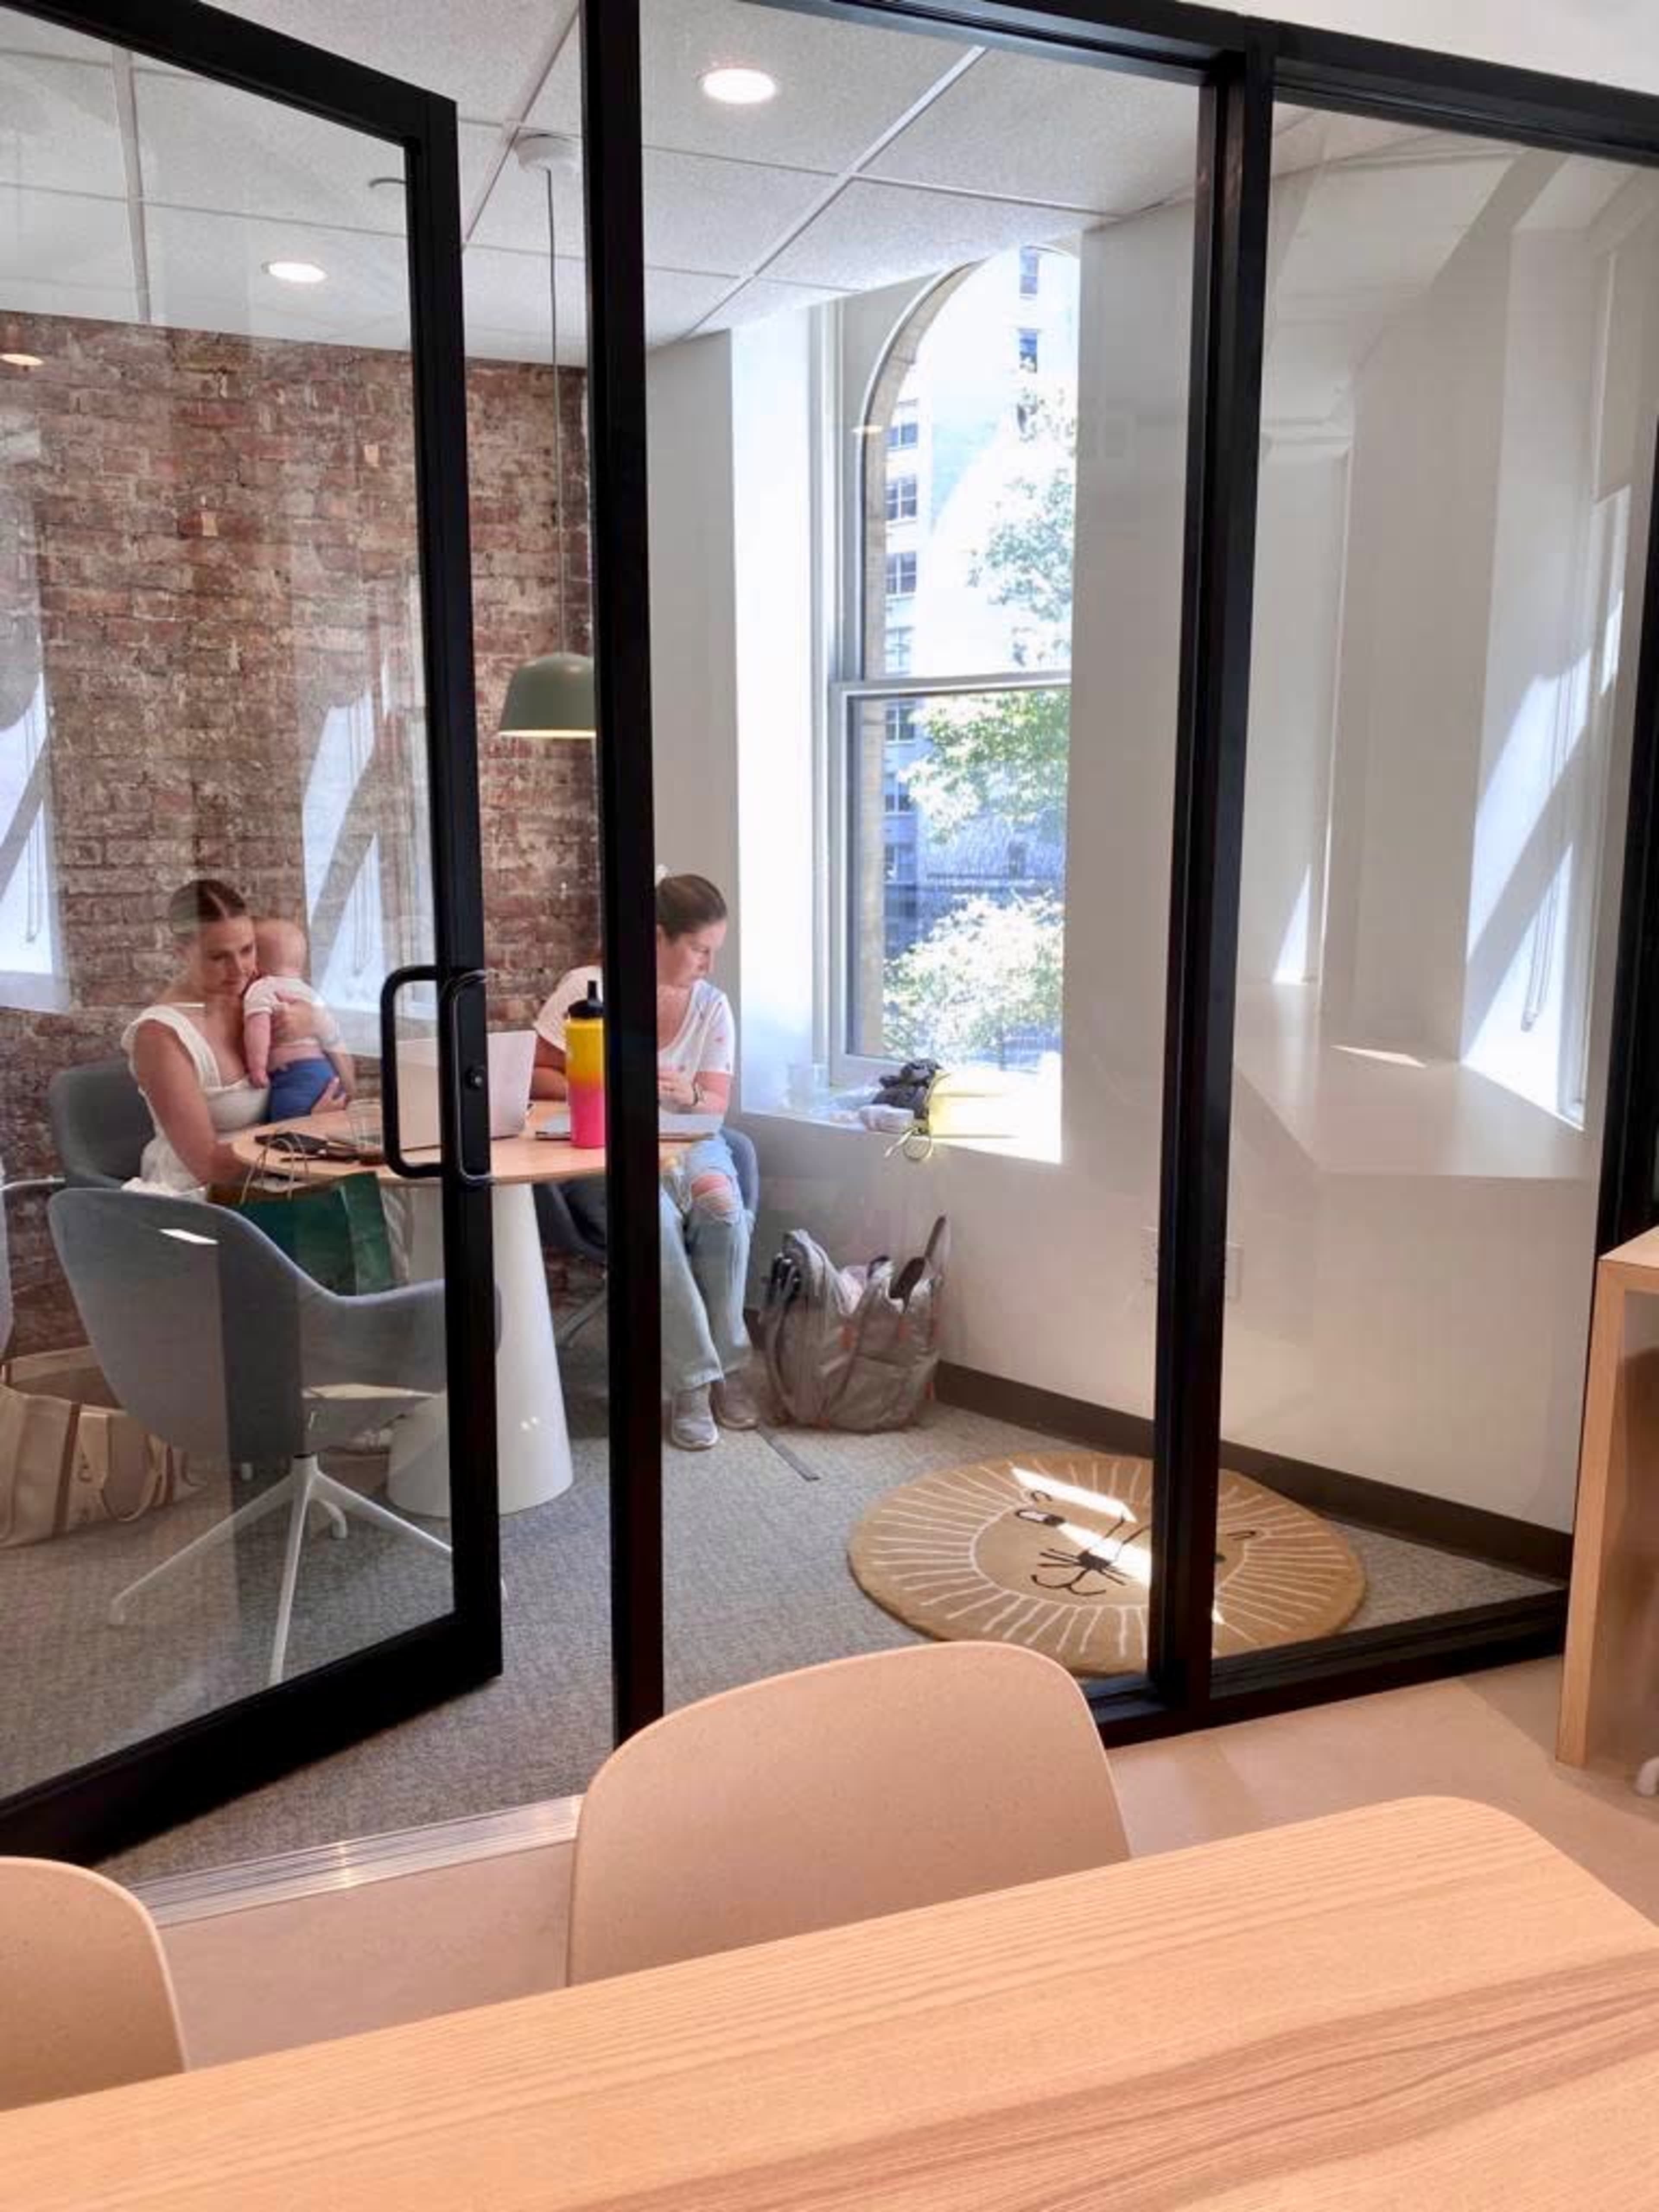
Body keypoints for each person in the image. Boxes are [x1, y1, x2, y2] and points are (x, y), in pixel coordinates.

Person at [532, 874, 758, 1452]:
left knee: (723, 1209)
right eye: (700, 949)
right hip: (607, 1148)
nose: (709, 965)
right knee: (651, 1221)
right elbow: (536, 1076)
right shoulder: (587, 987)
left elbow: (714, 1106)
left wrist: (686, 1096)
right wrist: (606, 1080)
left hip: (688, 1141)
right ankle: (693, 1383)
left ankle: (728, 1363)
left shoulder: (712, 1007)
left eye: (715, 952)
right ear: (658, 938)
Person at [121, 879, 275, 1195]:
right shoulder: (160, 1036)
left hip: (276, 1178)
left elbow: (337, 1089)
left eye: (247, 950)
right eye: (218, 957)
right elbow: (209, 1167)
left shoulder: (260, 997)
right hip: (202, 1197)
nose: (239, 970)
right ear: (182, 953)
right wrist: (302, 1135)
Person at [242, 917, 354, 1121]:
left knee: (286, 1129)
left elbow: (258, 1030)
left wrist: (257, 1069)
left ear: (255, 964)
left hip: (295, 1077)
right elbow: (350, 1083)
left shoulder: (262, 988)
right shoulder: (310, 993)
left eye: (246, 951)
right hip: (325, 1074)